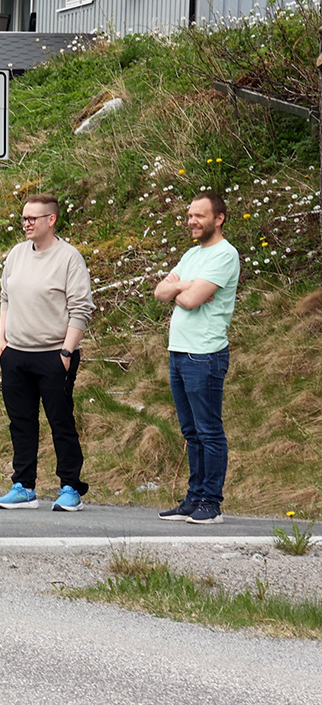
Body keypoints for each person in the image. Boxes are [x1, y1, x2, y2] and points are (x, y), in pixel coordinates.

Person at [0, 193, 94, 512]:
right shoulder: (17, 254)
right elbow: (5, 297)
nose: (26, 223)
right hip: (16, 354)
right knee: (20, 422)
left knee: (60, 421)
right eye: (24, 218)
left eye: (32, 218)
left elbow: (81, 308)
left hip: (54, 354)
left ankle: (70, 487)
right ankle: (23, 486)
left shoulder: (69, 258)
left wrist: (66, 352)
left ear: (51, 220)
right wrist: (2, 342)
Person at [153, 192, 240, 525]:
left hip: (205, 354)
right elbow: (161, 292)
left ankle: (211, 502)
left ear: (218, 218)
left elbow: (190, 301)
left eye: (199, 216)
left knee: (208, 430)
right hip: (179, 352)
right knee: (191, 431)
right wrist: (183, 286)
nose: (192, 221)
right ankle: (193, 498)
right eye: (189, 215)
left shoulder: (225, 255)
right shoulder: (191, 254)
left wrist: (181, 288)